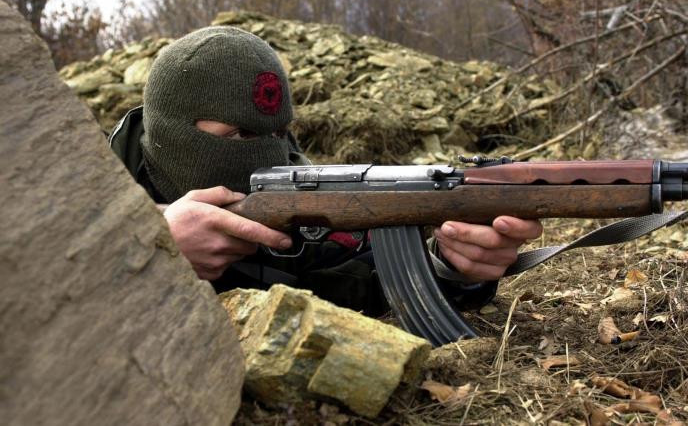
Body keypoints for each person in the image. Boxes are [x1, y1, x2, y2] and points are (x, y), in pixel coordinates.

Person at [110, 26, 542, 314]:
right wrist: (152, 243)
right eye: (239, 134)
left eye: (279, 133)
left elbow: (361, 282)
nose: (267, 152)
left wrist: (454, 267)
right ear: (170, 133)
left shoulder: (304, 201)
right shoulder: (91, 198)